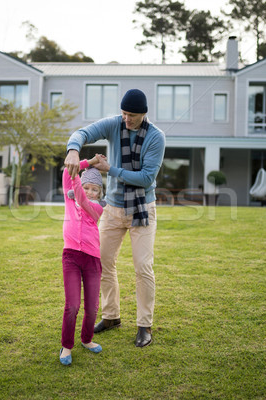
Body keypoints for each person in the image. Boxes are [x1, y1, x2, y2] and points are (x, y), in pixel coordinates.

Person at [64, 89, 165, 348]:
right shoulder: (114, 124)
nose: (127, 119)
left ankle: (144, 325)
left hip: (143, 208)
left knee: (143, 267)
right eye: (124, 113)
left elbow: (146, 178)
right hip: (113, 209)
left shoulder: (156, 137)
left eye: (132, 115)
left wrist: (111, 169)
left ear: (144, 114)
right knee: (103, 262)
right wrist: (74, 150)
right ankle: (111, 317)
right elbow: (82, 133)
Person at [59, 154, 106, 366]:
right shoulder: (69, 199)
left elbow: (81, 196)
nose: (90, 191)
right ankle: (66, 346)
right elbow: (67, 172)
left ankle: (86, 340)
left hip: (92, 259)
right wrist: (89, 162)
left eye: (94, 189)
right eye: (87, 187)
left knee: (92, 307)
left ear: (100, 193)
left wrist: (80, 176)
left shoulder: (96, 208)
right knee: (72, 305)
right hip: (71, 256)